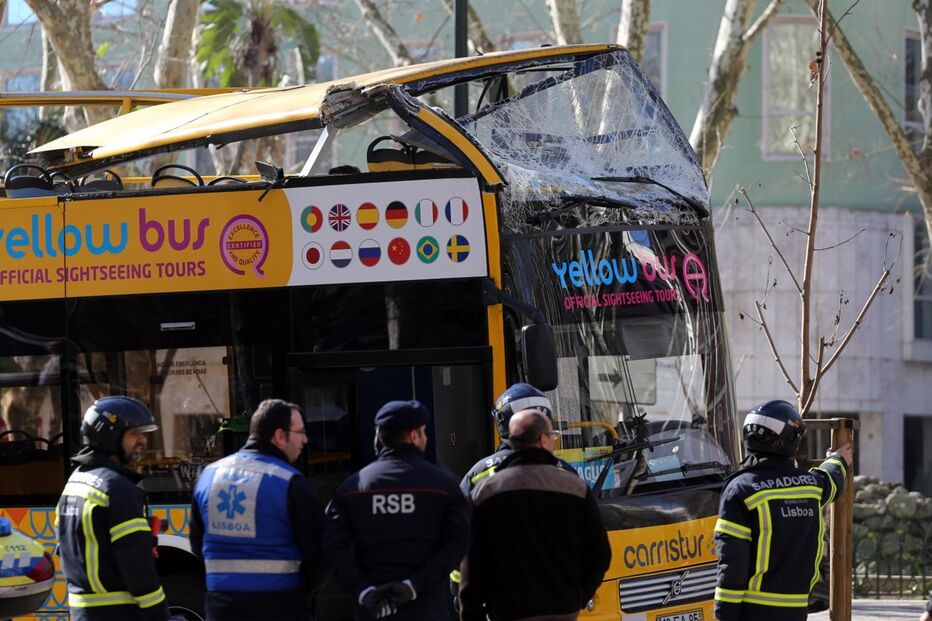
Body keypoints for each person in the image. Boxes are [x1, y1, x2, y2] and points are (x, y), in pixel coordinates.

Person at [459, 409, 611, 621]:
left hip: (509, 612)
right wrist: (579, 596)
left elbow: (472, 561)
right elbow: (600, 554)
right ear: (542, 440)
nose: (554, 443)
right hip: (563, 610)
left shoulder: (487, 492)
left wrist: (471, 613)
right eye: (553, 436)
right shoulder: (575, 488)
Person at [322, 400, 469, 620]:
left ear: (379, 437)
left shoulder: (351, 489)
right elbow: (458, 544)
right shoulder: (443, 486)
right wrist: (413, 586)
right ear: (414, 436)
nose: (425, 438)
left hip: (372, 611)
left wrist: (363, 591)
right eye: (424, 432)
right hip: (427, 609)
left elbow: (332, 546)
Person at [713, 400, 853, 621]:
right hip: (796, 608)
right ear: (791, 442)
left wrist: (724, 615)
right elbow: (831, 479)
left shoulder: (740, 490)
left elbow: (733, 563)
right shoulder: (811, 486)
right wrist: (838, 460)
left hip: (753, 611)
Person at [190, 399, 325, 621]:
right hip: (280, 606)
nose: (305, 439)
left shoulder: (209, 475)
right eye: (300, 432)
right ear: (280, 436)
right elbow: (317, 554)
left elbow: (197, 543)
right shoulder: (291, 483)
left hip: (222, 606)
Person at [56, 396, 169, 621]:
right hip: (118, 613)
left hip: (82, 612)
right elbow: (137, 567)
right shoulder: (118, 488)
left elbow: (67, 545)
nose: (143, 440)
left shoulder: (76, 479)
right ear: (109, 435)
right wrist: (160, 614)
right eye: (134, 433)